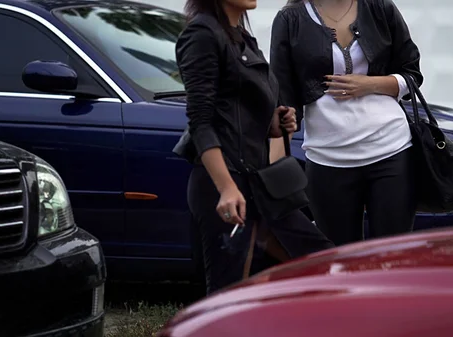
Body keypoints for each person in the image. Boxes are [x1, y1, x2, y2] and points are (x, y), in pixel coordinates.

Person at [175, 0, 334, 295]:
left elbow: (238, 109)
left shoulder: (241, 37)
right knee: (229, 293)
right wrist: (226, 188)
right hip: (227, 187)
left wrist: (274, 121)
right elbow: (201, 122)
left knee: (320, 261)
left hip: (260, 186)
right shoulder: (202, 34)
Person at [269, 0, 423, 246]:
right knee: (338, 260)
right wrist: (273, 172)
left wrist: (369, 84)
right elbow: (283, 101)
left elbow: (412, 75)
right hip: (327, 157)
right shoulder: (290, 19)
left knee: (393, 256)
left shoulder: (379, 8)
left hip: (390, 149)